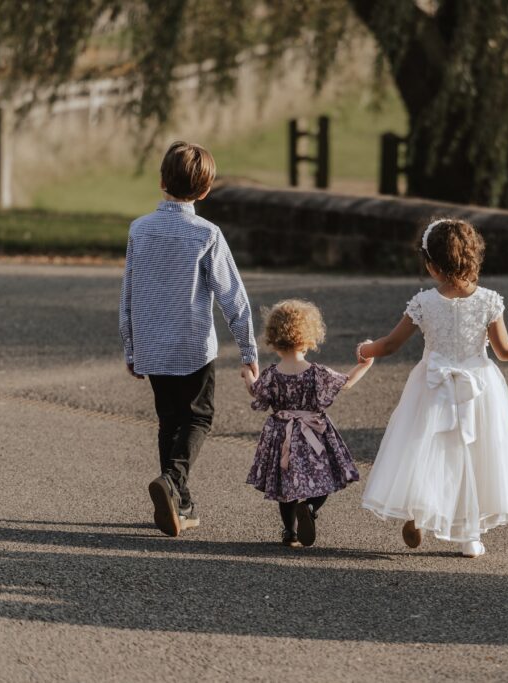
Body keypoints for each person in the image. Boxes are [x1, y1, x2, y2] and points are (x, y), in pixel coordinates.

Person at [356, 218, 508, 558]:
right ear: (473, 258)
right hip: (480, 388)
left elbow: (389, 346)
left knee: (427, 449)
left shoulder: (424, 303)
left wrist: (366, 349)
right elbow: (506, 352)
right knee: (476, 455)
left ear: (431, 265)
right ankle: (469, 536)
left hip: (433, 385)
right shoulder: (489, 301)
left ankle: (420, 509)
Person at [119, 140, 258, 538]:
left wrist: (130, 344)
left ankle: (179, 500)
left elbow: (128, 291)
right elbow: (233, 295)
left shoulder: (139, 229)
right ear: (205, 191)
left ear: (161, 182)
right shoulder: (207, 234)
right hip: (193, 346)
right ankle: (172, 479)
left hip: (152, 343)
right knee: (198, 417)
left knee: (169, 421)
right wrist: (248, 349)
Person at [246, 299, 372, 547]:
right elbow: (346, 382)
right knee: (324, 477)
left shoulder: (271, 373)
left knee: (285, 484)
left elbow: (255, 390)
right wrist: (365, 364)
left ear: (273, 337)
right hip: (313, 433)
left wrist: (248, 374)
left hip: (282, 435)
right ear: (309, 336)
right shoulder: (316, 372)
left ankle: (290, 532)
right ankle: (311, 507)